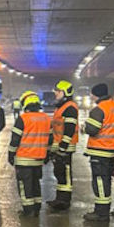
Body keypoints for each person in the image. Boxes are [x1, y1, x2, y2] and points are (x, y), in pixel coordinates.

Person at [82, 83, 114, 222]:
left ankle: (101, 213)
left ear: (96, 95)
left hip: (100, 151)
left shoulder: (98, 110)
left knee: (100, 182)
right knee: (106, 181)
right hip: (113, 150)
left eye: (92, 94)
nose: (91, 96)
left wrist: (84, 127)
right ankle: (103, 210)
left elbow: (93, 130)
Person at [7, 92, 52, 216]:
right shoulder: (47, 118)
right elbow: (50, 139)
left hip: (23, 158)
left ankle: (28, 210)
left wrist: (11, 154)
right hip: (39, 159)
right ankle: (37, 207)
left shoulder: (23, 118)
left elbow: (15, 139)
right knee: (35, 183)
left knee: (24, 184)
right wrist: (47, 154)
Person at [46, 80, 80, 212]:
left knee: (65, 173)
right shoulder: (61, 107)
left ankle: (64, 200)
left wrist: (62, 146)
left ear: (65, 93)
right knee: (60, 172)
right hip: (60, 146)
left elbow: (69, 129)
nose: (55, 93)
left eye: (58, 91)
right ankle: (59, 199)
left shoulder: (70, 107)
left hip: (65, 147)